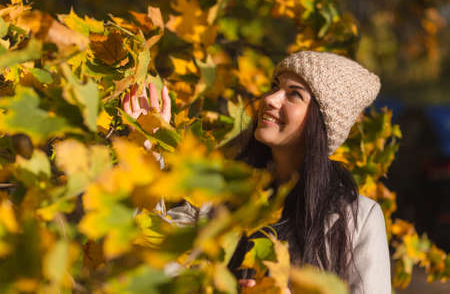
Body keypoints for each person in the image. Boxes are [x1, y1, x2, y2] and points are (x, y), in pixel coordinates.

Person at [122, 51, 392, 294]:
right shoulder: (222, 190)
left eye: (294, 94)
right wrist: (145, 155)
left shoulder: (357, 219)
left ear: (321, 123)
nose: (271, 99)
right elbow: (151, 257)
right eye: (275, 87)